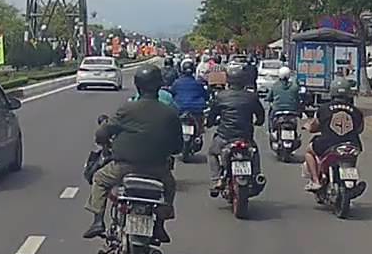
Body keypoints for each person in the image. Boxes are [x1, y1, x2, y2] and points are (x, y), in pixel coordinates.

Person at [85, 65, 182, 243]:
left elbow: (102, 133)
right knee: (169, 187)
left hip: (123, 168)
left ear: (137, 85)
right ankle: (160, 225)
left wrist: (104, 140)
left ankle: (98, 221)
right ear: (159, 85)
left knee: (99, 179)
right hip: (157, 169)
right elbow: (178, 147)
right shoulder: (170, 113)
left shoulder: (127, 109)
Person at [206, 64, 265, 194]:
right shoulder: (251, 96)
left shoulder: (221, 96)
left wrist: (209, 123)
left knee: (212, 153)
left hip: (225, 137)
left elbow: (212, 115)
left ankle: (217, 179)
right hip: (245, 136)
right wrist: (259, 122)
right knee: (255, 153)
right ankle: (257, 175)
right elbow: (260, 114)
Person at [304, 77, 365, 191]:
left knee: (308, 152)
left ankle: (315, 181)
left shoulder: (324, 109)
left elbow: (314, 127)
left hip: (328, 144)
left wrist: (309, 127)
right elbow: (360, 129)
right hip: (352, 144)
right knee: (351, 157)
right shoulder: (357, 111)